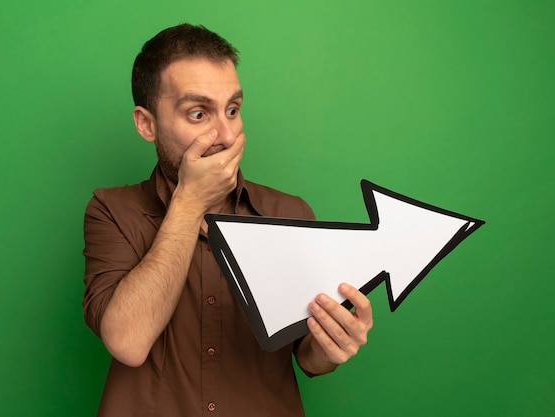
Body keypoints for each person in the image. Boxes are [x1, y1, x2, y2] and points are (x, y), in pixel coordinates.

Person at [82, 23, 373, 416]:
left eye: (232, 110)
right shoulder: (112, 210)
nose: (225, 134)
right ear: (146, 124)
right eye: (198, 113)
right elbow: (128, 342)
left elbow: (307, 358)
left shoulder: (290, 215)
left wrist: (330, 346)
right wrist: (189, 202)